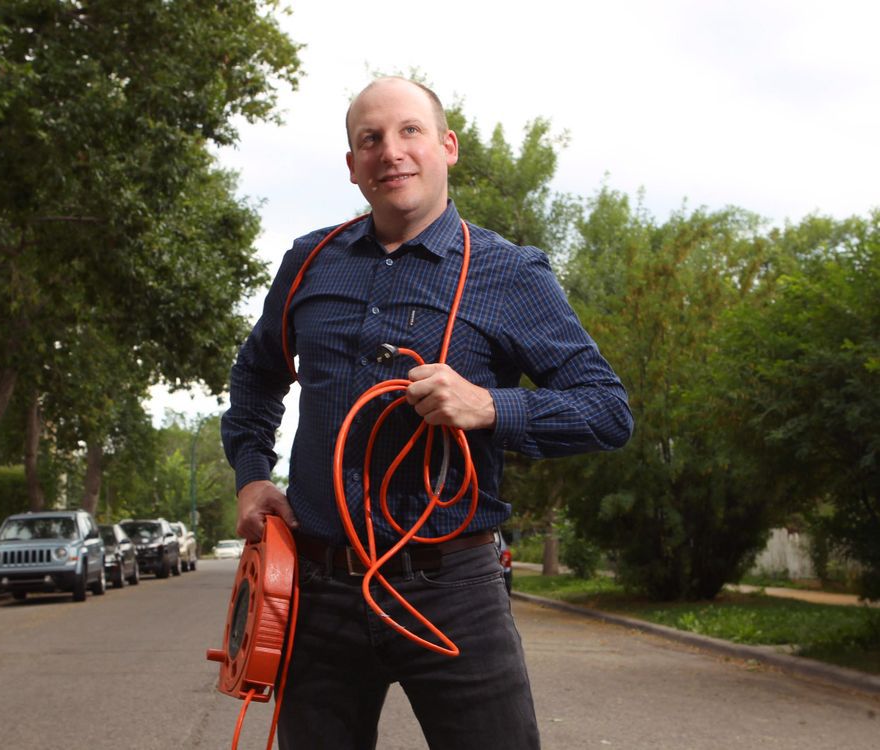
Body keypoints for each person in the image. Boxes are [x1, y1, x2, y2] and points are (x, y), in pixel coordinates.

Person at [221, 76, 633, 750]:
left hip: (454, 589)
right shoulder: (308, 262)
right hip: (319, 591)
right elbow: (258, 375)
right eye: (370, 139)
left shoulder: (510, 273)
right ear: (352, 166)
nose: (392, 151)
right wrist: (251, 473)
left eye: (410, 131)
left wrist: (488, 406)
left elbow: (607, 411)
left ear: (447, 146)